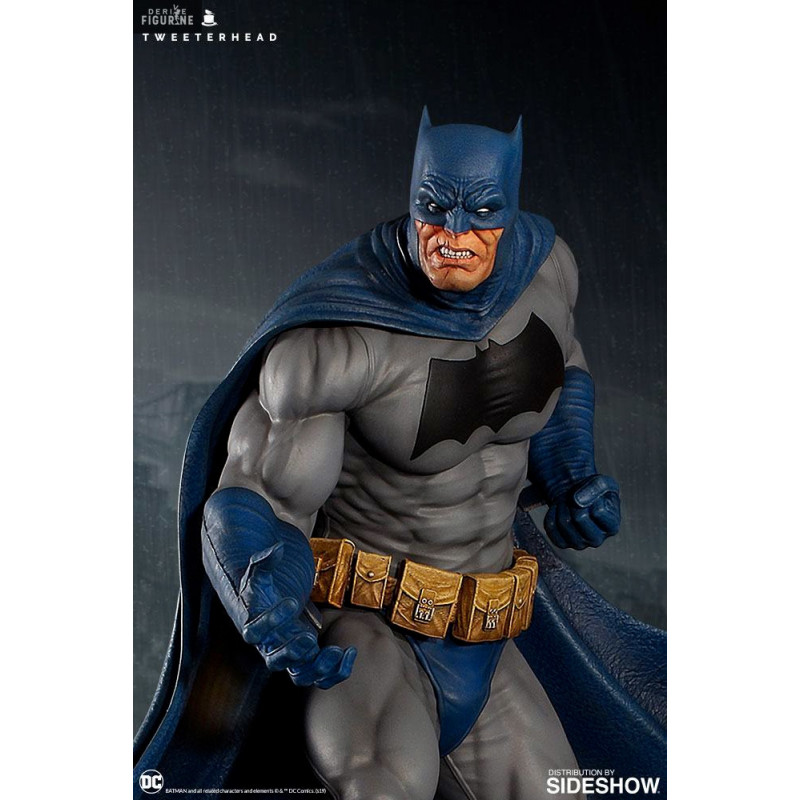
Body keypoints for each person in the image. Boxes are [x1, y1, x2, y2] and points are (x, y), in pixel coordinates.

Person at [135, 110, 664, 800]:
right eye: (434, 209)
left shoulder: (548, 273)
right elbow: (259, 497)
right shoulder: (338, 346)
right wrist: (263, 588)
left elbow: (565, 375)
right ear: (413, 199)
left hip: (490, 633)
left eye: (481, 212)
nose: (454, 234)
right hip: (372, 629)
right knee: (382, 789)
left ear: (509, 207)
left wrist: (572, 478)